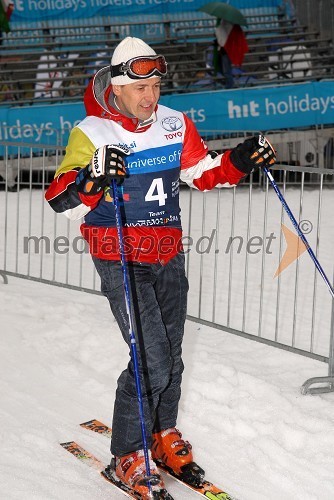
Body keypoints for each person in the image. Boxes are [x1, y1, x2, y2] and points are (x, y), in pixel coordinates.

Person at [45, 37, 276, 499]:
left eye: (154, 85)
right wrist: (92, 177)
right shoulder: (92, 133)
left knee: (170, 353)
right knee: (150, 357)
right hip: (120, 255)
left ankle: (162, 433)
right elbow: (59, 199)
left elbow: (203, 172)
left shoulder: (174, 123)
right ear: (117, 86)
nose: (150, 97)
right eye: (139, 88)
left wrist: (239, 160)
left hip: (169, 253)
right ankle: (127, 452)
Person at [214, 18, 249, 89]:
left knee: (226, 70)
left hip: (225, 50)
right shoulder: (225, 24)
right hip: (223, 50)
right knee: (223, 69)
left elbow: (223, 39)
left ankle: (230, 85)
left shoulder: (226, 24)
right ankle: (229, 83)